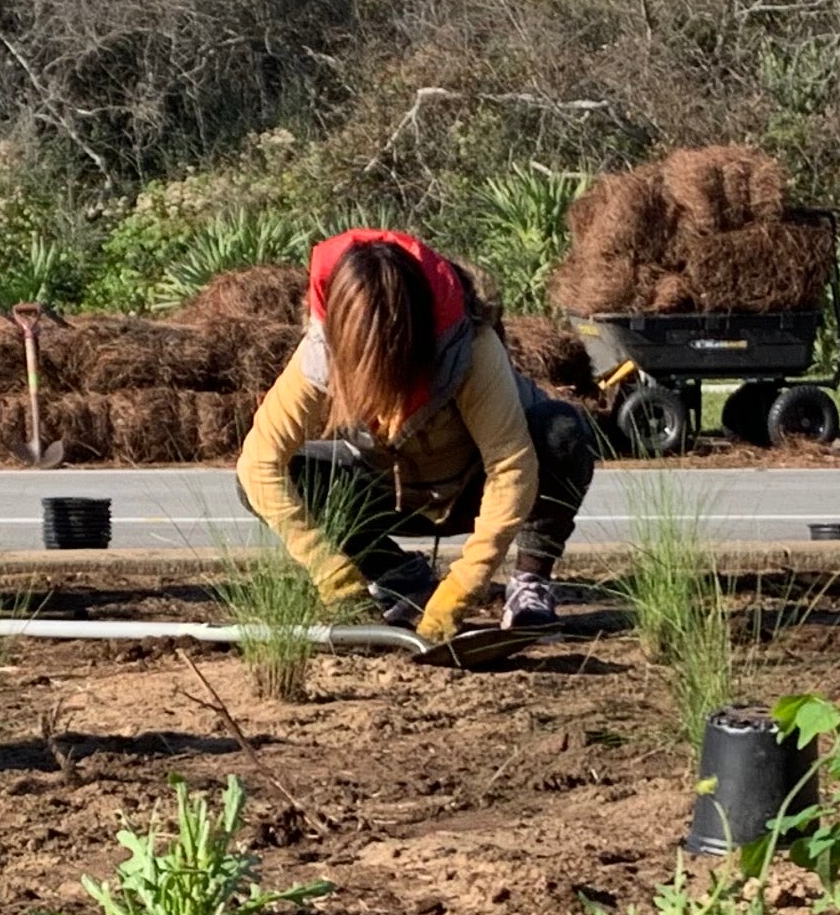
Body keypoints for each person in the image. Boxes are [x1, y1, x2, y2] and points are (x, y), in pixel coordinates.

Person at [234, 227, 596, 643]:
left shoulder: (470, 348)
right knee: (274, 479)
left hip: (471, 492)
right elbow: (260, 464)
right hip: (392, 496)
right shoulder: (321, 351)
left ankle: (529, 588)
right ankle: (402, 580)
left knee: (562, 431)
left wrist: (464, 586)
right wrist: (333, 575)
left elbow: (511, 467)